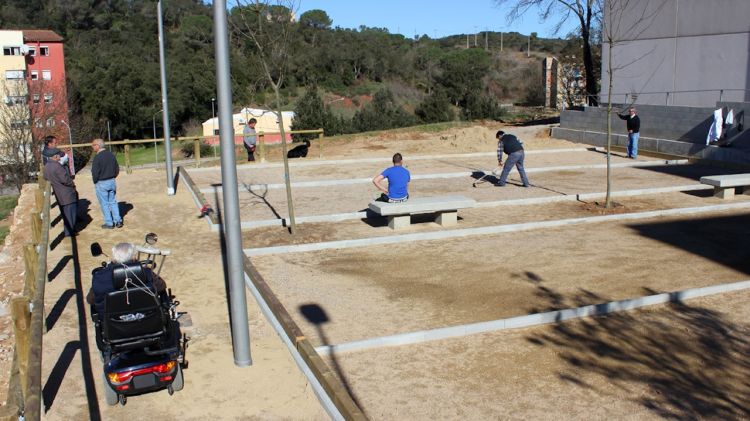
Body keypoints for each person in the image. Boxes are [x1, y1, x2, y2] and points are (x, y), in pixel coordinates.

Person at [86, 242, 167, 316]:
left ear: (113, 259)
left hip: (113, 326)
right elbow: (162, 286)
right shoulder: (146, 273)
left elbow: (90, 300)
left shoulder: (99, 278)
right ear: (134, 258)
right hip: (148, 321)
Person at [43, 148, 78, 237]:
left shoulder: (47, 166)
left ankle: (68, 231)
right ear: (55, 156)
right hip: (66, 193)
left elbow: (46, 178)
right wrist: (72, 184)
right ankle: (69, 232)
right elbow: (65, 180)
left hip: (59, 193)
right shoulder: (57, 166)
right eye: (59, 155)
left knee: (65, 214)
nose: (60, 156)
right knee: (70, 214)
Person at [91, 138, 123, 229]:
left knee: (104, 204)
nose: (92, 147)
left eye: (93, 145)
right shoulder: (111, 155)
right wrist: (112, 177)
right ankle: (118, 221)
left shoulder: (97, 157)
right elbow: (117, 168)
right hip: (112, 181)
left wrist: (95, 181)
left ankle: (109, 223)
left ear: (98, 145)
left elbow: (95, 172)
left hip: (102, 182)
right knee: (113, 202)